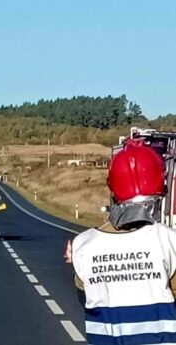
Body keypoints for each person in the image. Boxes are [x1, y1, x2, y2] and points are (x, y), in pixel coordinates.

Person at [71, 139, 176, 345]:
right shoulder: (169, 240)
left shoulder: (82, 245)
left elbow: (85, 299)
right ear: (161, 182)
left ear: (113, 186)